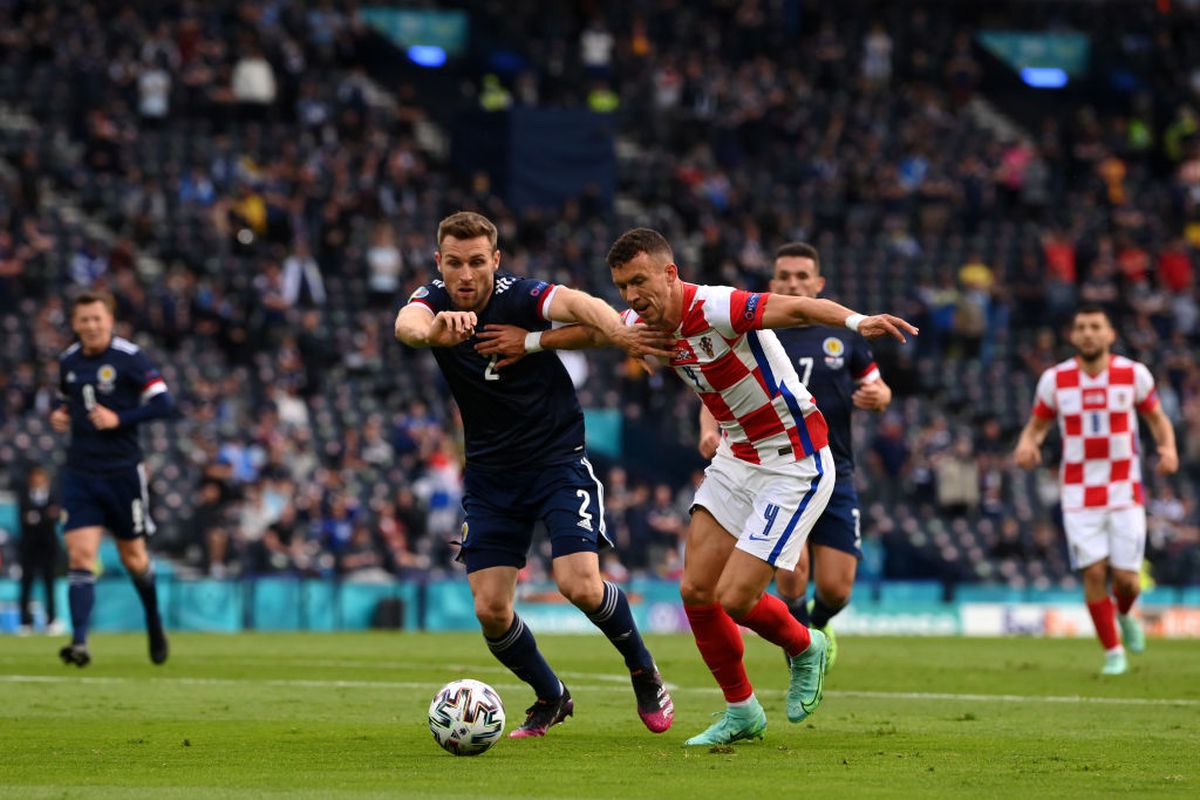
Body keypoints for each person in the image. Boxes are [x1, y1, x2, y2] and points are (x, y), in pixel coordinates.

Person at [478, 227, 916, 745]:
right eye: (621, 286)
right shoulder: (645, 322)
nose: (631, 295)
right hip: (737, 457)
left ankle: (806, 646)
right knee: (696, 591)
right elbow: (597, 333)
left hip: (794, 460)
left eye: (639, 280)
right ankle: (742, 710)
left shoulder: (716, 307)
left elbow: (795, 309)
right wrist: (530, 342)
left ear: (670, 272)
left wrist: (856, 321)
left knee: (735, 597)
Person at [393, 211, 677, 738]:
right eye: (454, 263)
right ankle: (552, 696)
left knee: (580, 585)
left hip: (556, 463)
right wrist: (435, 330)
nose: (466, 275)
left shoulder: (519, 295)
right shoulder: (431, 302)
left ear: (494, 261)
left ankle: (644, 671)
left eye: (477, 262)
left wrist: (621, 334)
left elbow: (578, 303)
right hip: (489, 478)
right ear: (439, 262)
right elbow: (405, 328)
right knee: (492, 610)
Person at [698, 243, 892, 671]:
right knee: (791, 572)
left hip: (835, 467)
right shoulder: (755, 329)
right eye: (785, 276)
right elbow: (716, 388)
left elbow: (877, 386)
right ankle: (802, 648)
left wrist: (879, 395)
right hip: (779, 464)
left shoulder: (842, 332)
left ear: (819, 283)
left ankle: (820, 624)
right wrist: (708, 430)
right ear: (772, 284)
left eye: (803, 276)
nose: (793, 283)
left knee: (837, 588)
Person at [1014, 304, 1178, 676]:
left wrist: (1168, 448)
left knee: (1127, 580)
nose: (1088, 333)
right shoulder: (1055, 380)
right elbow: (1037, 425)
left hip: (1124, 490)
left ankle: (1124, 614)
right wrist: (1028, 444)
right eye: (1082, 327)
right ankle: (1113, 652)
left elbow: (1157, 419)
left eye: (1096, 327)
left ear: (1109, 335)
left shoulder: (1133, 374)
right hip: (1077, 492)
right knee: (1092, 574)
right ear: (1073, 336)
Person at [50, 290, 174, 667]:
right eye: (83, 319)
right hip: (81, 472)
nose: (90, 325)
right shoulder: (68, 362)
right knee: (80, 554)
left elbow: (163, 402)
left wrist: (121, 419)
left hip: (122, 473)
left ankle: (153, 621)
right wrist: (61, 415)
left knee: (134, 558)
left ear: (110, 320)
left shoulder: (130, 358)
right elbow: (65, 401)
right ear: (74, 324)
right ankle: (80, 643)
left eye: (97, 318)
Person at [18, 464, 62, 636]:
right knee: (27, 584)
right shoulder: (24, 494)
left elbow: (54, 516)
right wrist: (45, 515)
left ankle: (51, 620)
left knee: (49, 584)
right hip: (29, 548)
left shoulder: (53, 495)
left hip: (48, 547)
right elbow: (25, 519)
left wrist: (37, 516)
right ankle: (25, 622)